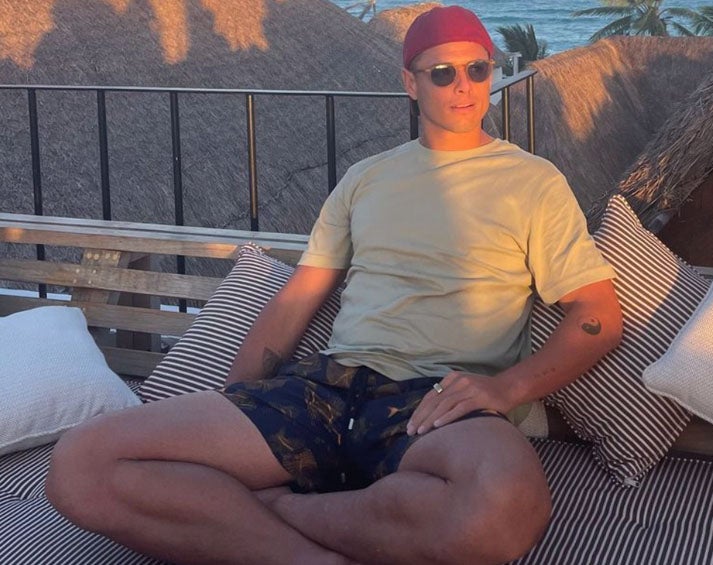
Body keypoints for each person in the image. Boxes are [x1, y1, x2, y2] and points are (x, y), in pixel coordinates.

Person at [45, 6, 622, 564]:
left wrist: (506, 389)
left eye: (477, 68)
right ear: (411, 83)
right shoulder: (365, 179)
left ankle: (273, 511)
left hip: (439, 400)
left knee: (505, 509)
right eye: (442, 72)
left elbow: (597, 315)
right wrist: (235, 399)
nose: (464, 85)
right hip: (329, 387)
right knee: (82, 464)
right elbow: (299, 297)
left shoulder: (532, 182)